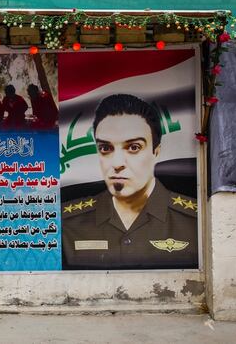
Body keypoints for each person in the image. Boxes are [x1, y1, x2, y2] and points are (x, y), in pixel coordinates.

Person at [61, 94, 197, 270]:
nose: (117, 163)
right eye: (105, 148)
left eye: (134, 147)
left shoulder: (193, 221)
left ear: (156, 152)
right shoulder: (68, 223)